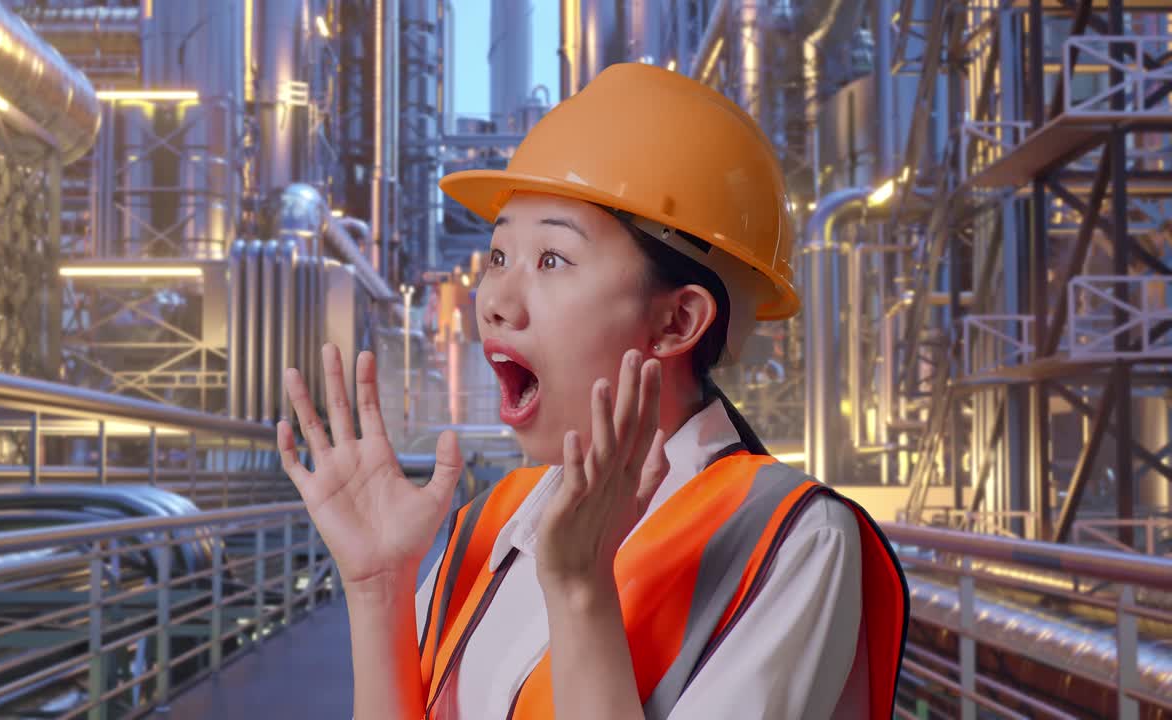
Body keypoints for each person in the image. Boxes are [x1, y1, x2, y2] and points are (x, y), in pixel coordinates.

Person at [277, 62, 908, 719]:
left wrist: (582, 591)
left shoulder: (790, 539)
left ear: (676, 321)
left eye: (552, 259)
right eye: (498, 257)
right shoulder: (493, 521)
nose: (493, 300)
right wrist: (379, 589)